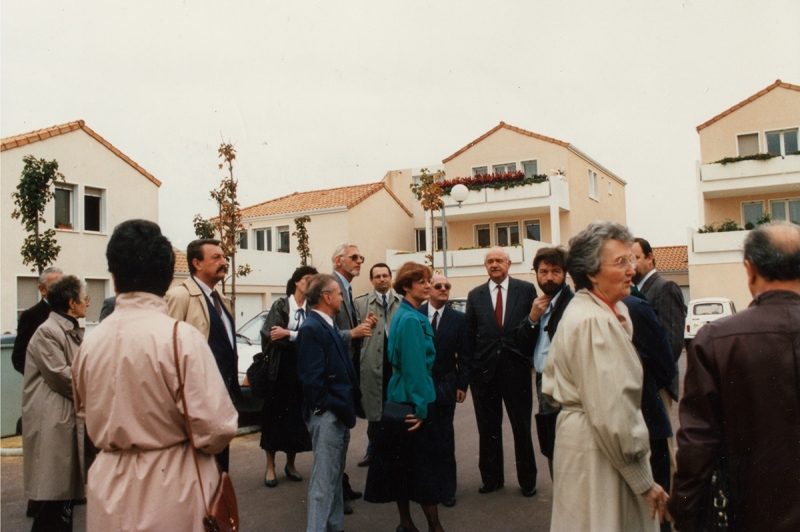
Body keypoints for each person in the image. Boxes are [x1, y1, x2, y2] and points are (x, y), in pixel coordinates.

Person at [72, 220, 238, 532]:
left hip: (107, 487)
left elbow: (83, 412)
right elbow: (217, 428)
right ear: (165, 279)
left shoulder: (90, 343)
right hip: (174, 487)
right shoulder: (181, 338)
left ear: (114, 277)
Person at [668, 222, 800, 531]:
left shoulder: (716, 339)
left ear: (750, 269)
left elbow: (698, 442)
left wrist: (685, 511)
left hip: (751, 511)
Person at [542, 221, 669, 531]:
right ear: (591, 273)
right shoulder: (592, 321)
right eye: (620, 262)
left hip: (593, 448)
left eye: (631, 259)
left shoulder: (601, 312)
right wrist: (645, 482)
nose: (631, 269)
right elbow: (613, 415)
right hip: (598, 455)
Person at [364, 262, 444, 532]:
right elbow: (414, 370)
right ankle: (435, 528)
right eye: (422, 281)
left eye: (428, 280)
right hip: (413, 403)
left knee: (402, 469)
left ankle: (406, 524)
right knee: (422, 471)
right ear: (407, 287)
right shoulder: (410, 319)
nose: (428, 285)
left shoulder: (406, 313)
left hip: (401, 399)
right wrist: (421, 409)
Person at [465, 246, 539, 496]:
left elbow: (533, 327)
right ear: (485, 266)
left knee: (521, 427)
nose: (494, 264)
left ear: (509, 264)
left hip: (516, 370)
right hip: (484, 373)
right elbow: (469, 335)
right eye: (489, 261)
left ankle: (527, 481)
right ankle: (491, 478)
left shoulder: (526, 290)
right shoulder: (475, 295)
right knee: (488, 429)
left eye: (499, 260)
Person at [165, 238, 241, 472]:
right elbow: (169, 349)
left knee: (220, 471)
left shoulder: (222, 300)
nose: (224, 262)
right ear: (196, 263)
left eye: (224, 257)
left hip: (222, 399)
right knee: (199, 472)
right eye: (216, 257)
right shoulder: (180, 296)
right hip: (196, 401)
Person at [22, 275, 89, 532]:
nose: (87, 304)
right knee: (53, 498)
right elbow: (63, 376)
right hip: (53, 422)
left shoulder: (68, 330)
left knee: (61, 500)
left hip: (64, 420)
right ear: (71, 303)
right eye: (85, 299)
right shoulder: (48, 332)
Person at [296, 274, 361, 532]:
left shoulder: (326, 324)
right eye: (338, 294)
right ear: (326, 297)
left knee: (333, 480)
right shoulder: (312, 327)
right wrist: (330, 408)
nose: (342, 298)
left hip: (337, 413)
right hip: (328, 416)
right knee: (323, 485)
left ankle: (334, 527)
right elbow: (312, 380)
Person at [259, 266, 318, 488]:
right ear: (296, 282)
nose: (311, 283)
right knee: (274, 418)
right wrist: (297, 337)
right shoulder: (281, 305)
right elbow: (273, 336)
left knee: (296, 418)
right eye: (307, 279)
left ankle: (291, 464)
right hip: (280, 369)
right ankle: (270, 466)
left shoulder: (313, 308)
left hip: (302, 369)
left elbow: (316, 335)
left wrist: (290, 334)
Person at [622, 293, 676, 532]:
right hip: (647, 417)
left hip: (621, 425)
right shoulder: (636, 306)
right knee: (656, 499)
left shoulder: (578, 309)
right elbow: (666, 363)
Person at [330, 243, 377, 507]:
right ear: (339, 261)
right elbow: (320, 332)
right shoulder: (329, 286)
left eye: (362, 257)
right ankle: (335, 497)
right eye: (354, 257)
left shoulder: (347, 289)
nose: (360, 261)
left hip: (345, 372)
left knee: (342, 437)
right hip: (334, 375)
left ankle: (340, 486)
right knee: (335, 439)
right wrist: (353, 333)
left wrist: (362, 327)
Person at [419, 273, 470, 507]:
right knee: (422, 440)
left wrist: (462, 384)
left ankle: (447, 490)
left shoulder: (458, 319)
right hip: (418, 388)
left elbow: (466, 355)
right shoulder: (415, 314)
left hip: (446, 386)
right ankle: (424, 488)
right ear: (428, 288)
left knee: (444, 440)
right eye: (438, 285)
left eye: (447, 286)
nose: (443, 289)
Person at [528, 247, 574, 479]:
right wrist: (532, 319)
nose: (548, 277)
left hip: (565, 383)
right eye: (543, 271)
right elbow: (521, 343)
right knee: (551, 445)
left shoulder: (571, 304)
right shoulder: (538, 304)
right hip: (543, 381)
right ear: (535, 273)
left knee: (568, 447)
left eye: (555, 271)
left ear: (565, 273)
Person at [353, 263, 402, 468]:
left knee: (397, 408)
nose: (382, 279)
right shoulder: (361, 303)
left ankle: (397, 453)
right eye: (377, 276)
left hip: (397, 364)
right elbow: (355, 334)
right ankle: (373, 452)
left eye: (385, 275)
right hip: (372, 363)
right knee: (374, 411)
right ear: (371, 280)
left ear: (391, 277)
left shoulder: (402, 302)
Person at [13, 266, 63, 374]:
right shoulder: (31, 316)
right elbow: (19, 357)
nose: (62, 290)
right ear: (42, 289)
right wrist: (39, 379)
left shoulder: (70, 313)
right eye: (56, 285)